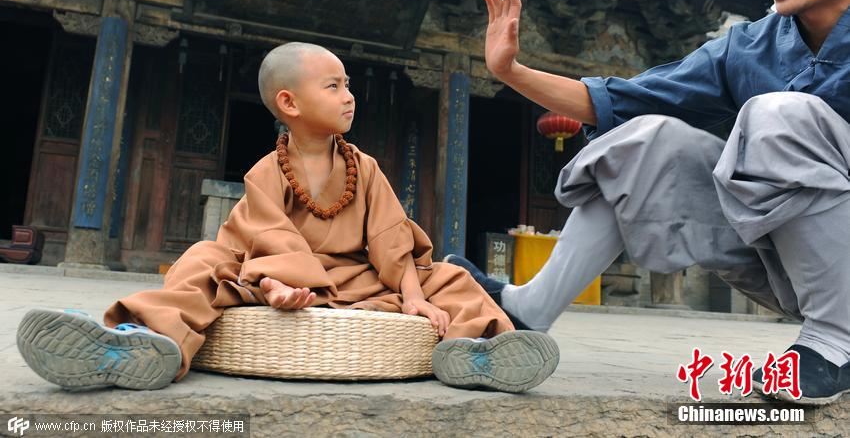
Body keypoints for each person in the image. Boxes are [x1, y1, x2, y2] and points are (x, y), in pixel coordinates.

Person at [446, 0, 850, 404]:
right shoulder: (748, 48)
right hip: (803, 272)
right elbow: (622, 99)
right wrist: (512, 71)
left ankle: (834, 344)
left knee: (779, 115)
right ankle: (529, 308)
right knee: (643, 143)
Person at [16, 43, 558, 393]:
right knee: (201, 261)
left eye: (348, 85)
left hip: (357, 279)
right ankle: (137, 341)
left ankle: (479, 352)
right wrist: (275, 283)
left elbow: (392, 237)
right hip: (267, 276)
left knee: (451, 276)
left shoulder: (364, 167)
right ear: (290, 104)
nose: (349, 97)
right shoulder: (266, 172)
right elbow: (266, 237)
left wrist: (414, 293)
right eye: (334, 86)